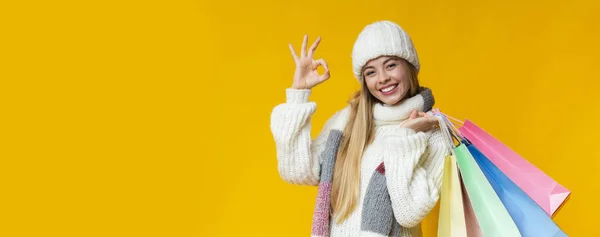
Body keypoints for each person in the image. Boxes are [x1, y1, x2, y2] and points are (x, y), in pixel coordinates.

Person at [269, 20, 447, 237]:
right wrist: (299, 93)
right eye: (371, 72)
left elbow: (409, 212)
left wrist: (406, 137)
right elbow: (297, 171)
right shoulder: (348, 121)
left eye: (391, 65)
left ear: (409, 66)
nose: (382, 78)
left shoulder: (434, 134)